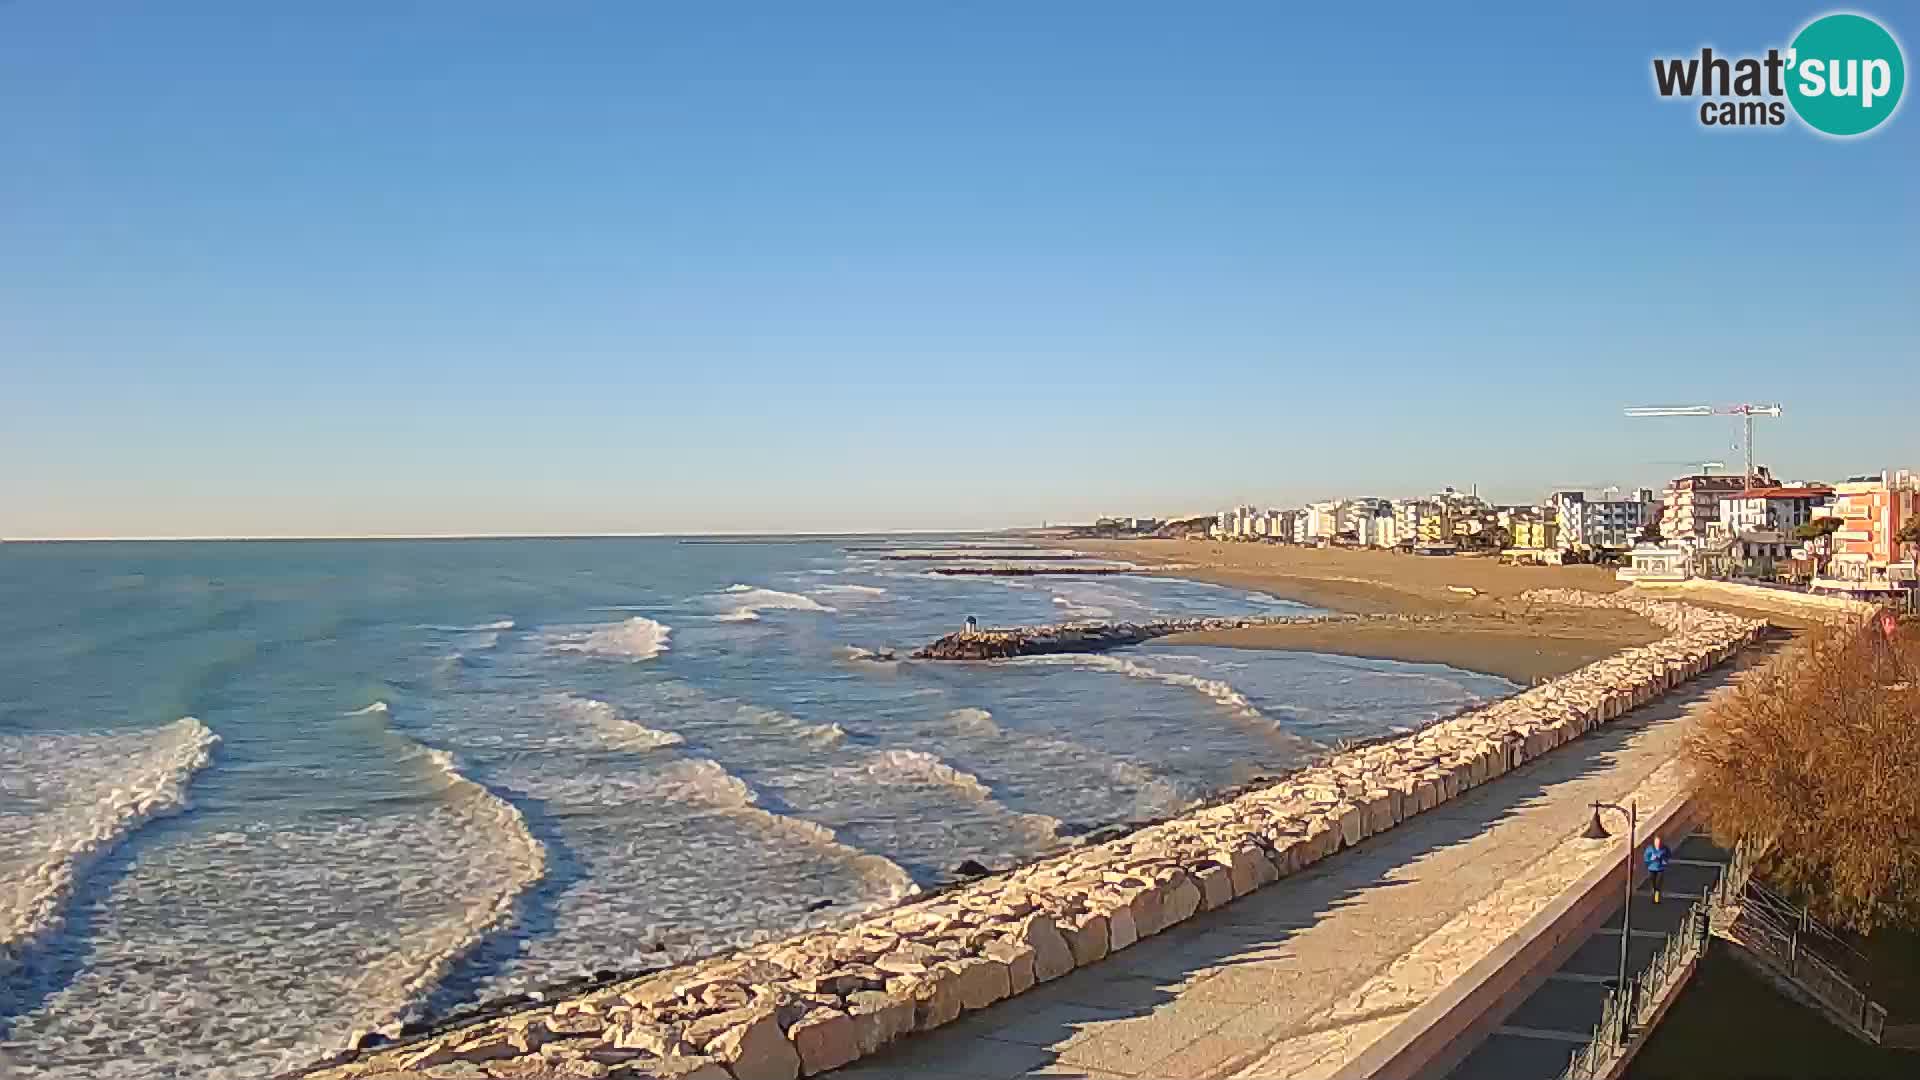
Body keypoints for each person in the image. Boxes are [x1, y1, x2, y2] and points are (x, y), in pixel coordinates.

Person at [1644, 835, 1671, 903]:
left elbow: (1668, 855)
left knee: (1658, 884)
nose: (1658, 844)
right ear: (1654, 842)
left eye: (1659, 843)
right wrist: (1651, 859)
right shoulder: (1650, 849)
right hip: (1652, 869)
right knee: (1653, 884)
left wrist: (1664, 861)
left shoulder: (1665, 848)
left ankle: (1656, 899)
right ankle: (1653, 896)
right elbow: (1646, 858)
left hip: (1660, 868)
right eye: (1656, 843)